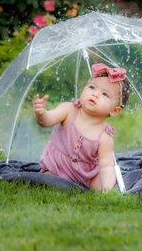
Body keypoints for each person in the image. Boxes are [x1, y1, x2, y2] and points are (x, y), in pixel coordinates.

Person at [32, 62, 130, 192]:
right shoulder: (68, 110)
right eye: (92, 87)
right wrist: (42, 113)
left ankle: (106, 191)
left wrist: (106, 188)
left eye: (105, 94)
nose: (95, 94)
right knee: (48, 181)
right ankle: (57, 182)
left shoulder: (105, 136)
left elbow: (106, 165)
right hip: (57, 167)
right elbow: (46, 121)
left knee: (103, 182)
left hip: (86, 175)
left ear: (115, 111)